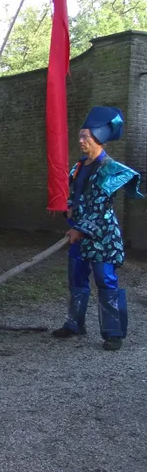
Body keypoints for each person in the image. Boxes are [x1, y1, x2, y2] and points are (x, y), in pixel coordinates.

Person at [51, 107, 143, 351]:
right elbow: (74, 195)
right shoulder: (79, 166)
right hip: (78, 235)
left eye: (85, 137)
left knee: (105, 280)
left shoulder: (109, 169)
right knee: (76, 278)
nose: (81, 141)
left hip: (102, 237)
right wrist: (67, 207)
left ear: (98, 138)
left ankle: (114, 333)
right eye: (80, 136)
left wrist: (80, 229)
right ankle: (74, 324)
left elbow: (100, 207)